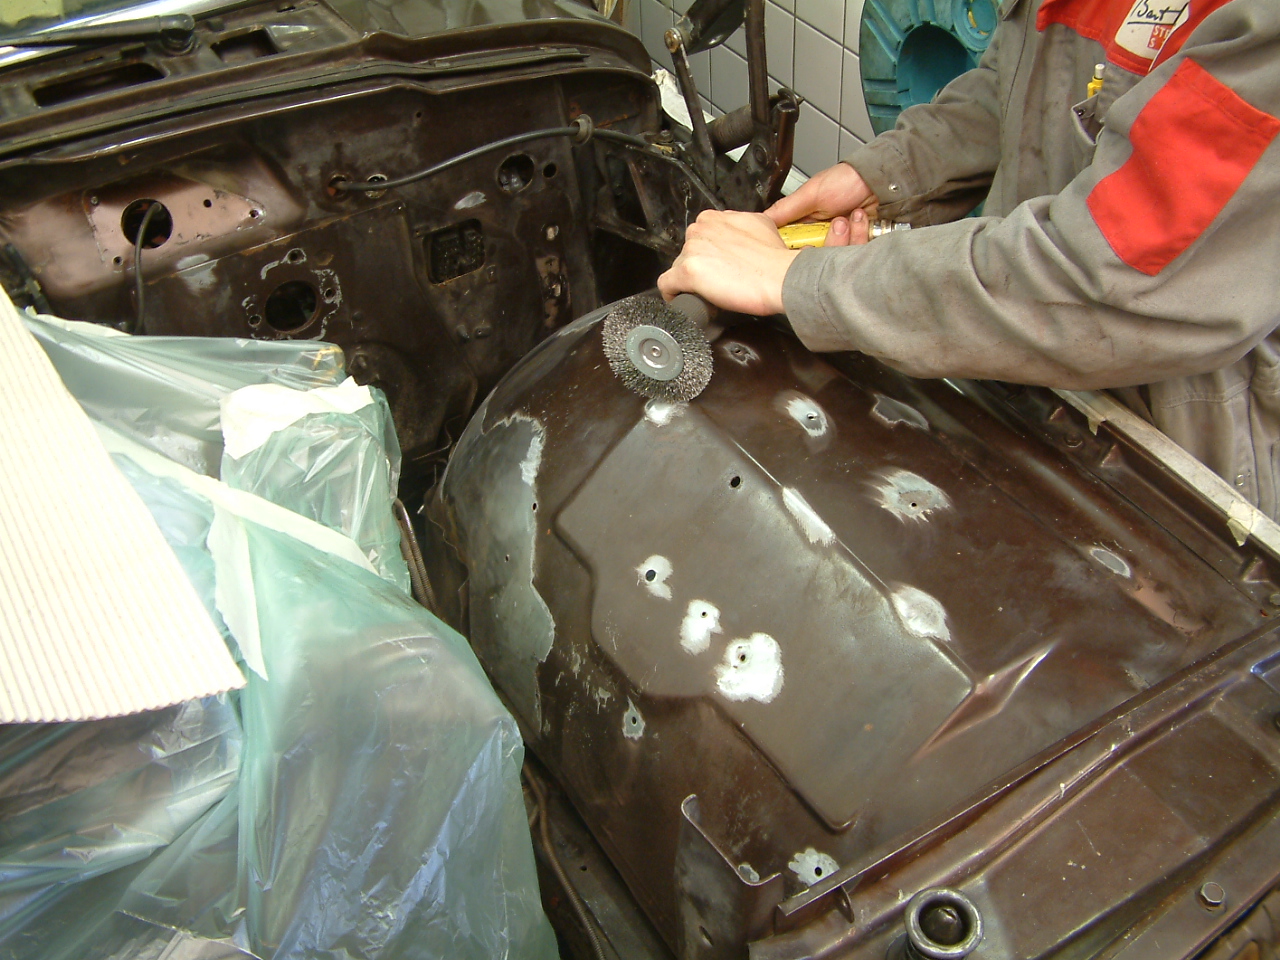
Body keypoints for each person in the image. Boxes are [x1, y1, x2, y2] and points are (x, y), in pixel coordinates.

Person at [656, 0, 1280, 519]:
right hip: (1008, 369)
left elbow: (1105, 280)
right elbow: (1022, 87)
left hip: (1171, 471)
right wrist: (886, 174)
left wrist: (800, 282)